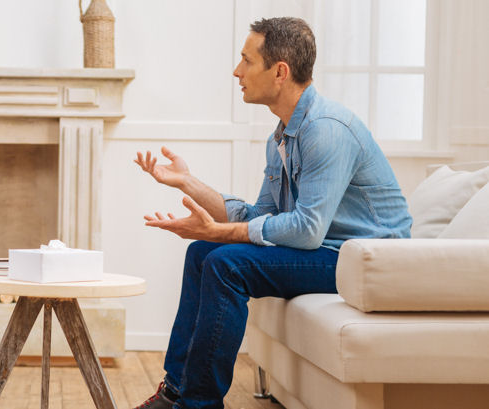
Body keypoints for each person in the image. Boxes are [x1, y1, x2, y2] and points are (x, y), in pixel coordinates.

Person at [130, 17, 412, 409]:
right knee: (202, 254)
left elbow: (307, 230)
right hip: (329, 250)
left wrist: (219, 232)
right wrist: (186, 183)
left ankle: (199, 405)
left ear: (280, 72)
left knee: (227, 263)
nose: (237, 71)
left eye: (246, 60)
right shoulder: (281, 136)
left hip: (363, 260)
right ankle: (175, 393)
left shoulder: (326, 130)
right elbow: (260, 215)